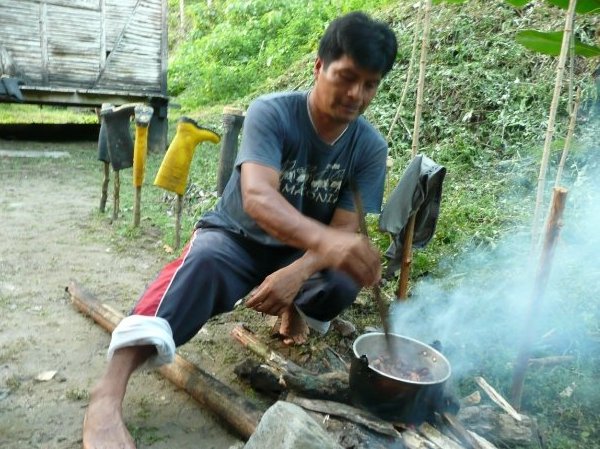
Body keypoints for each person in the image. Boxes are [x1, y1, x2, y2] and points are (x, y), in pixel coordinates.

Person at [83, 11, 398, 449]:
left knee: (343, 278)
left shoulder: (369, 147)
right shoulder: (273, 112)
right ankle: (106, 396)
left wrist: (301, 269)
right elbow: (258, 198)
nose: (356, 95)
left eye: (370, 85)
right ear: (319, 67)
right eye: (346, 77)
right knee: (202, 264)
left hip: (298, 253)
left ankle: (294, 311)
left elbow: (345, 231)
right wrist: (329, 243)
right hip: (238, 237)